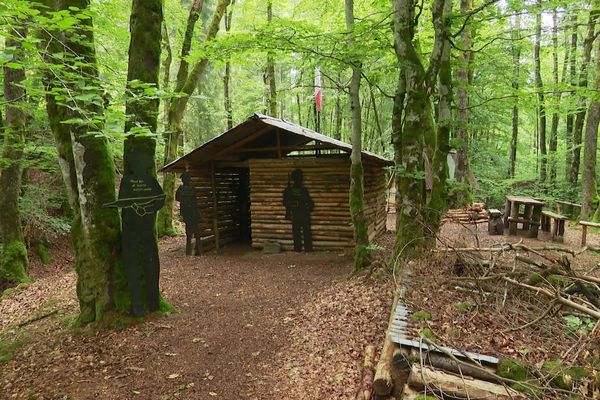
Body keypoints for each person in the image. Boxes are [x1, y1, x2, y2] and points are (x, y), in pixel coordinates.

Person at [105, 151, 165, 317]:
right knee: (139, 266)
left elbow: (160, 199)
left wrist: (145, 208)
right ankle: (147, 305)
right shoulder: (140, 181)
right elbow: (125, 203)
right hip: (136, 231)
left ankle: (148, 305)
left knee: (146, 265)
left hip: (135, 231)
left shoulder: (132, 181)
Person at [283, 168, 314, 252]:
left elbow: (310, 202)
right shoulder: (289, 190)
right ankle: (301, 248)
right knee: (299, 232)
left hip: (301, 212)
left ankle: (304, 248)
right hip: (297, 212)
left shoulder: (302, 190)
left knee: (304, 232)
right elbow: (285, 202)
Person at [176, 171, 202, 256]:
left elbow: (178, 198)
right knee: (196, 232)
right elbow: (195, 201)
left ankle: (190, 252)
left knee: (189, 233)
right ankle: (197, 252)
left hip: (188, 213)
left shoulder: (181, 189)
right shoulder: (191, 189)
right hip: (191, 213)